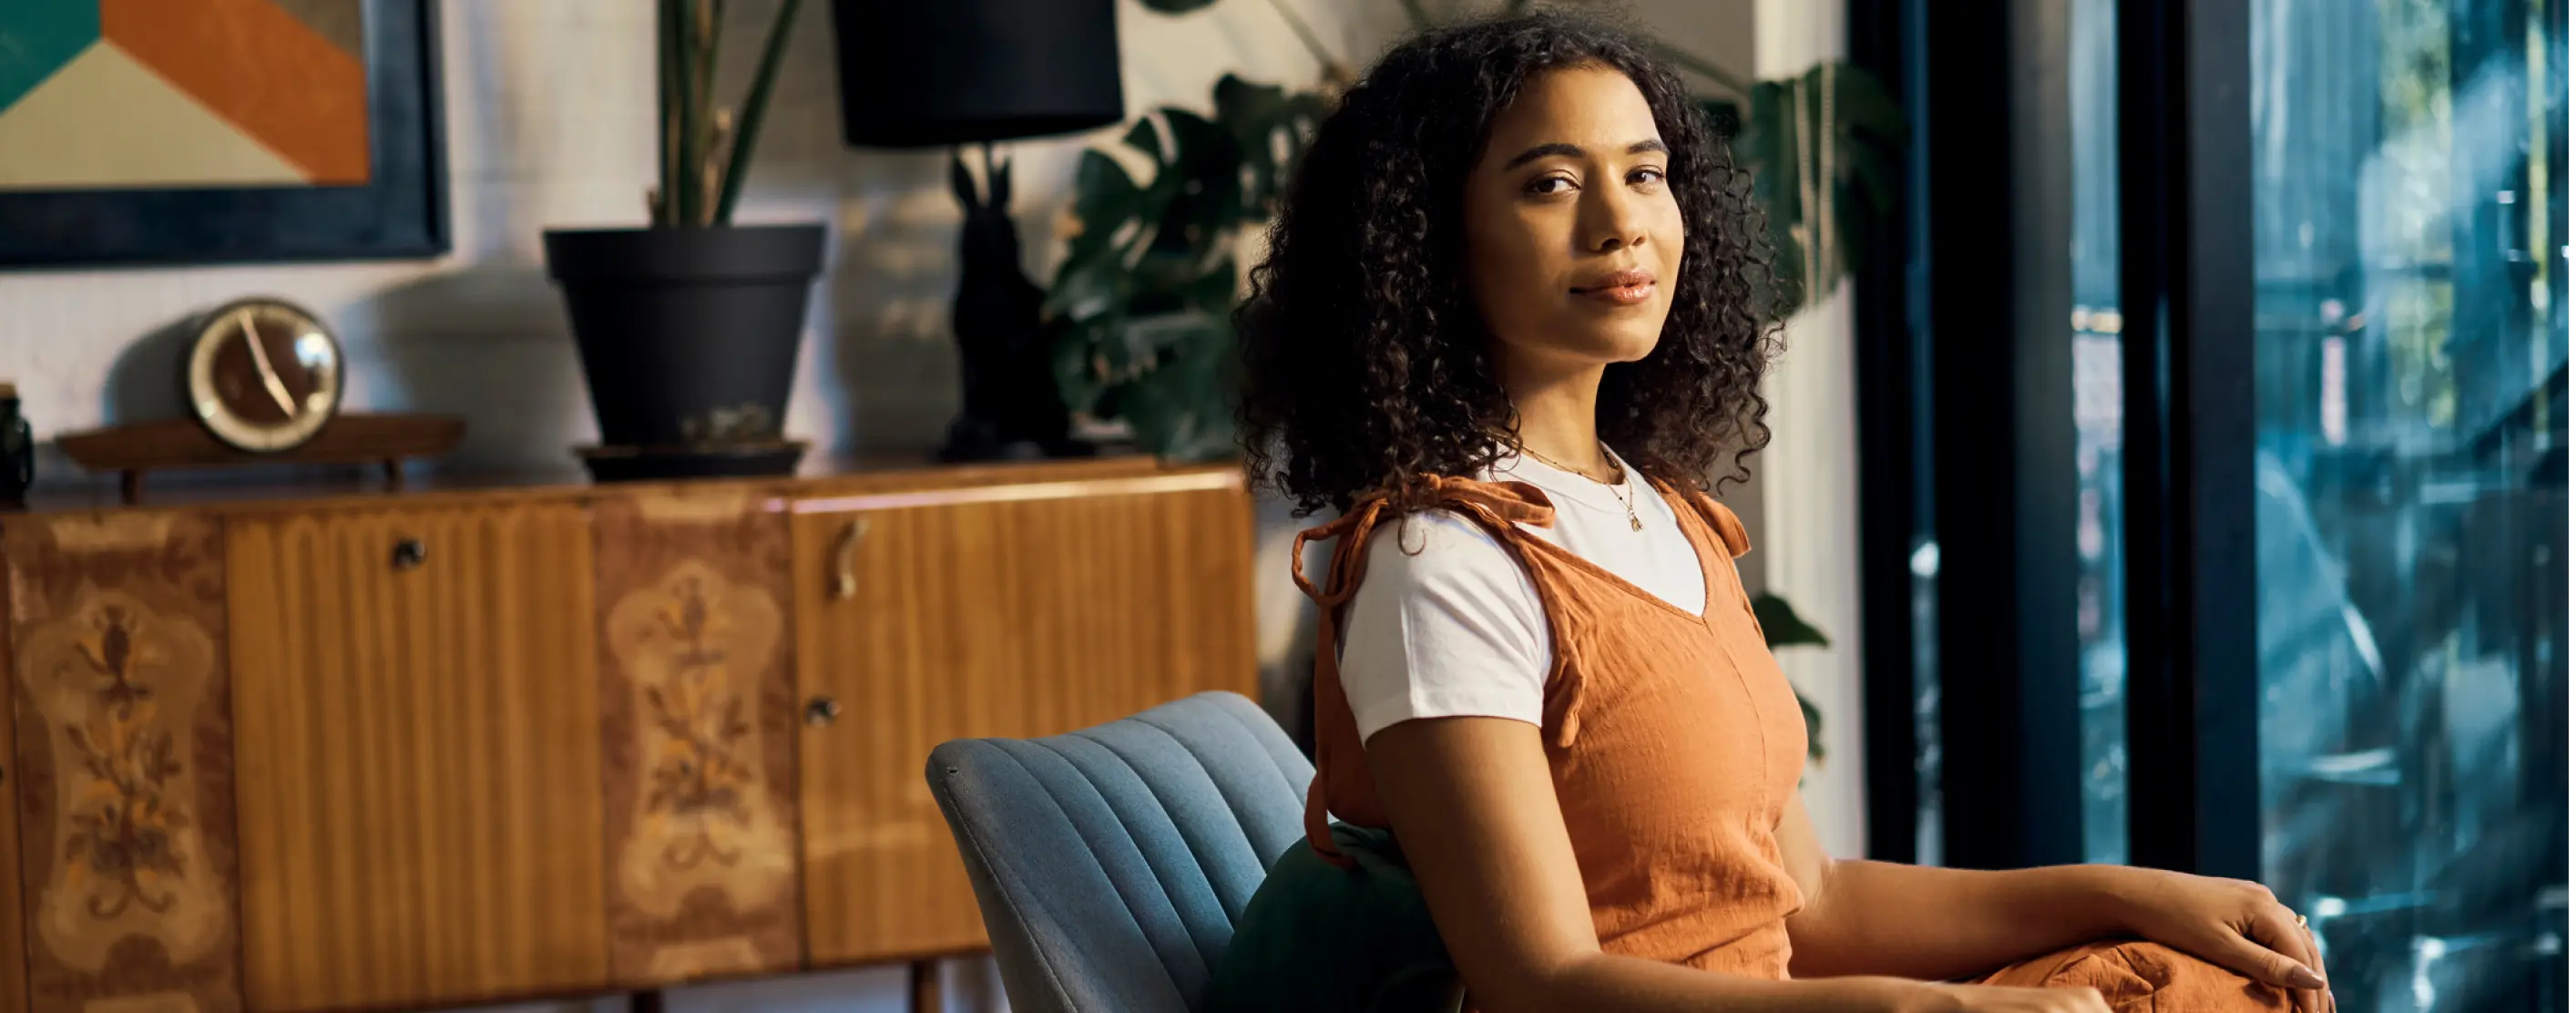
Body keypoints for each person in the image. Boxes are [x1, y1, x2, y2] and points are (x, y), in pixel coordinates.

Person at [1236, 12, 2332, 1013]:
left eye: (1644, 174)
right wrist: (1927, 1008)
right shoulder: (1437, 559)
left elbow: (1810, 900)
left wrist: (2130, 892)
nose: (1621, 223)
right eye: (1550, 184)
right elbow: (1541, 984)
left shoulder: (1663, 515)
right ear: (1430, 243)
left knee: (2212, 975)